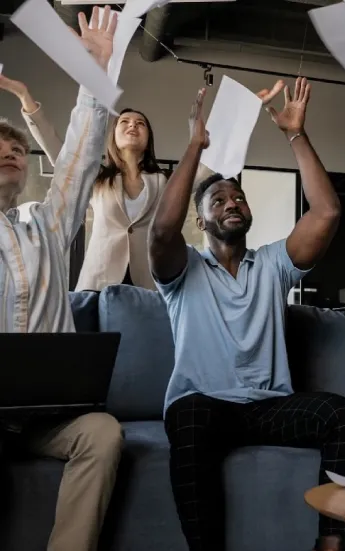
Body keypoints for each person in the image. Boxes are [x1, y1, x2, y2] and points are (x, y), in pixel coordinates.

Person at [149, 78, 345, 551]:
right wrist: (195, 146)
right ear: (201, 220)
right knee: (186, 417)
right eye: (218, 200)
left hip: (268, 406)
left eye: (238, 198)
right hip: (204, 406)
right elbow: (162, 230)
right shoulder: (182, 271)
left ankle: (331, 546)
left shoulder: (272, 264)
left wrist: (295, 133)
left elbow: (327, 212)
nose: (232, 202)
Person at [0, 7, 124, 551]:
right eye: (0, 146)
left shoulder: (45, 226)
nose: (11, 151)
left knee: (102, 431)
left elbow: (78, 160)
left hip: (49, 417)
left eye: (18, 148)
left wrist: (93, 74)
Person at [0, 78, 280, 291]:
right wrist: (26, 99)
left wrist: (246, 108)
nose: (133, 126)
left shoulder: (164, 182)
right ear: (114, 135)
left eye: (140, 123)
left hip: (149, 283)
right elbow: (57, 148)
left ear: (148, 139)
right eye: (125, 122)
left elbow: (209, 155)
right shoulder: (97, 179)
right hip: (98, 284)